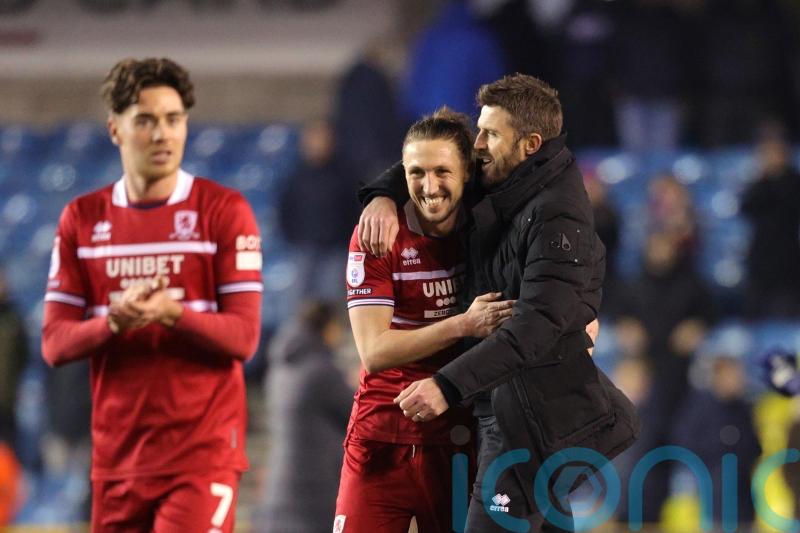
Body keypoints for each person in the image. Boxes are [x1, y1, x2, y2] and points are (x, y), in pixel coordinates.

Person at [359, 74, 639, 532]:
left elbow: (534, 326)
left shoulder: (556, 214)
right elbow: (432, 161)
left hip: (528, 419)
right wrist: (381, 197)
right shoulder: (509, 181)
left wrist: (445, 386)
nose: (478, 144)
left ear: (529, 143)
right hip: (508, 405)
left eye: (490, 134)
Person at [41, 58, 263, 533]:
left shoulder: (222, 211)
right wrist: (113, 323)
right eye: (145, 120)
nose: (163, 133)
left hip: (201, 457)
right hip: (116, 460)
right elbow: (55, 344)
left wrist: (170, 312)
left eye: (173, 119)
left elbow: (243, 337)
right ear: (115, 130)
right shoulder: (82, 219)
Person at [336, 108, 516, 533]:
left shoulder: (489, 225)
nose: (428, 187)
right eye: (415, 173)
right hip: (379, 438)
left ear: (467, 173)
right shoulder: (380, 234)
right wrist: (462, 324)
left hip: (458, 439)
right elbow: (375, 352)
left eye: (441, 171)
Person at [260, 300, 356, 533]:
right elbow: (356, 415)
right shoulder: (321, 371)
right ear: (328, 327)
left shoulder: (280, 370)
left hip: (279, 493)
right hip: (315, 492)